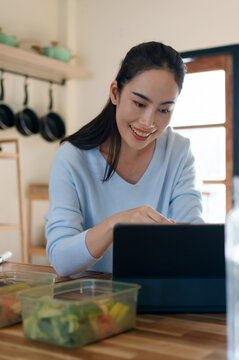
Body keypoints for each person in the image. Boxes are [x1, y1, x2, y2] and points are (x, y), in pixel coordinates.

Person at [45, 41, 203, 277]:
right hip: (89, 300)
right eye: (139, 103)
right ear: (115, 93)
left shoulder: (178, 151)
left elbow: (194, 235)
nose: (148, 122)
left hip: (156, 294)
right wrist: (116, 224)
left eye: (164, 110)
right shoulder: (72, 157)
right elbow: (61, 260)